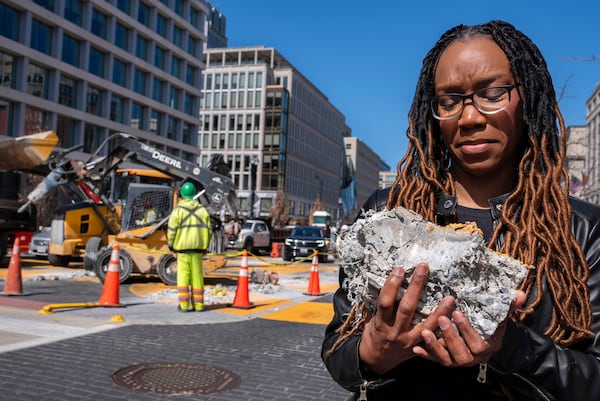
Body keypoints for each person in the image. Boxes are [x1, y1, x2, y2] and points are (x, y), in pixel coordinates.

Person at [322, 20, 600, 401]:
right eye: (450, 101)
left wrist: (508, 347)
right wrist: (372, 352)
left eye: (492, 93)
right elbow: (339, 350)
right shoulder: (389, 212)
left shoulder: (581, 229)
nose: (469, 118)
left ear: (528, 97)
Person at [167, 182, 212, 312]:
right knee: (197, 277)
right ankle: (198, 305)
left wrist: (171, 246)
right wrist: (205, 247)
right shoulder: (203, 211)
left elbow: (171, 232)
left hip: (182, 250)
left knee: (183, 277)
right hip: (198, 250)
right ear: (194, 194)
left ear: (181, 194)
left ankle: (184, 306)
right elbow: (209, 232)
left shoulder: (177, 212)